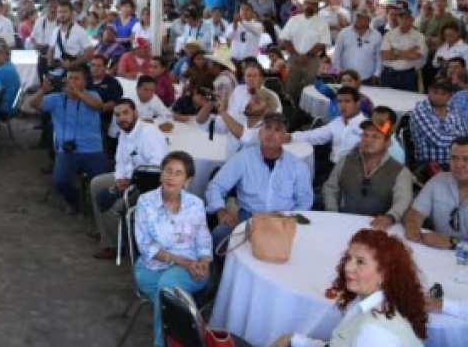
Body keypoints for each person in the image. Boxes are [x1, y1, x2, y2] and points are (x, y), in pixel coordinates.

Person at [271, 229, 428, 347]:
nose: (347, 267)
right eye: (348, 258)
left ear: (384, 274)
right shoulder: (367, 301)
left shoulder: (374, 331)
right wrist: (295, 340)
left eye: (360, 262)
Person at [132, 152, 212, 347]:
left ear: (188, 180)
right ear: (161, 174)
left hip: (189, 270)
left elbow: (203, 238)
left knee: (167, 291)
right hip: (150, 268)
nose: (171, 177)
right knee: (169, 293)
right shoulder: (145, 202)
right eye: (168, 171)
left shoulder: (196, 204)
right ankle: (186, 331)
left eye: (178, 173)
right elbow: (145, 247)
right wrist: (184, 261)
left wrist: (204, 261)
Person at [206, 114, 314, 247]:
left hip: (283, 219)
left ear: (285, 137)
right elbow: (216, 186)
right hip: (249, 217)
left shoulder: (298, 166)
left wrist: (288, 218)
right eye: (267, 128)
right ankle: (225, 267)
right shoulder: (243, 159)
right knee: (219, 235)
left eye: (277, 129)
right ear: (260, 133)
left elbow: (305, 201)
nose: (271, 133)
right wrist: (221, 210)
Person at [89, 100, 169, 259]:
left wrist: (131, 180)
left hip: (147, 185)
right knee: (96, 183)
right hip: (127, 179)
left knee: (112, 205)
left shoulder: (150, 133)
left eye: (126, 113)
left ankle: (113, 246)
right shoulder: (124, 134)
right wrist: (119, 178)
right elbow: (120, 161)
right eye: (117, 115)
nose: (121, 118)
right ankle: (105, 231)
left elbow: (158, 165)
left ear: (136, 113)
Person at [28, 65, 107, 212]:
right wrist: (42, 91)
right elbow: (33, 104)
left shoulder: (92, 95)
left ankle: (101, 212)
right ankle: (74, 200)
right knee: (59, 181)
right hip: (67, 149)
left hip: (93, 149)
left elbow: (98, 105)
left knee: (102, 184)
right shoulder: (57, 98)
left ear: (84, 82)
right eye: (70, 78)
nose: (72, 81)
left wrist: (78, 93)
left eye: (76, 79)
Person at [322, 120, 413, 227]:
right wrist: (333, 212)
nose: (368, 140)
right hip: (343, 221)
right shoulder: (345, 161)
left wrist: (390, 217)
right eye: (365, 135)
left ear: (388, 143)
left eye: (375, 137)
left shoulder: (400, 172)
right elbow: (331, 188)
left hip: (379, 227)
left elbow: (403, 201)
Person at [291, 86, 367, 165]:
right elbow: (316, 135)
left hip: (351, 168)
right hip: (331, 164)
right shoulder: (336, 122)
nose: (343, 105)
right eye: (339, 101)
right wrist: (291, 136)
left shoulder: (366, 125)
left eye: (347, 101)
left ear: (357, 104)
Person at [280, 0, 332, 103]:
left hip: (312, 61)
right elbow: (285, 39)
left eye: (313, 4)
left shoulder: (322, 22)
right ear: (303, 5)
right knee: (290, 89)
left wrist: (307, 56)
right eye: (308, 3)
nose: (310, 6)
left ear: (317, 6)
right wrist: (296, 55)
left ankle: (305, 116)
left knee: (309, 90)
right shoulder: (294, 20)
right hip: (294, 59)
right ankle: (290, 113)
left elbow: (322, 43)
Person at [408, 80, 468, 168]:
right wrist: (459, 137)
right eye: (435, 92)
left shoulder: (454, 109)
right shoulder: (420, 111)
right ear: (429, 91)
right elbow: (438, 140)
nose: (438, 97)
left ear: (450, 96)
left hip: (457, 162)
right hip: (430, 165)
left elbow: (467, 135)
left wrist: (455, 138)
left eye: (443, 94)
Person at [218, 89, 279, 159]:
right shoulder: (237, 118)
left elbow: (246, 137)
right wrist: (211, 104)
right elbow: (206, 122)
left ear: (267, 111)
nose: (250, 102)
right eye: (251, 99)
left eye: (256, 102)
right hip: (229, 167)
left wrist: (223, 112)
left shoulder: (267, 130)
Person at [380, 8, 426, 92]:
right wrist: (408, 52)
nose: (404, 20)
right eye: (401, 18)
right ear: (398, 19)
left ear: (412, 19)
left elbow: (414, 56)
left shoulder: (419, 36)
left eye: (407, 18)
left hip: (408, 75)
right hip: (389, 74)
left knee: (407, 101)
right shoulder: (389, 34)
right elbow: (385, 55)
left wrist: (394, 51)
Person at [335, 9, 382, 85]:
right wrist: (338, 70)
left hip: (368, 78)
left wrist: (377, 73)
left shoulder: (376, 35)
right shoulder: (344, 32)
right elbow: (337, 54)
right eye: (358, 17)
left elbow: (379, 57)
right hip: (346, 77)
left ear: (368, 21)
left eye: (362, 18)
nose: (359, 20)